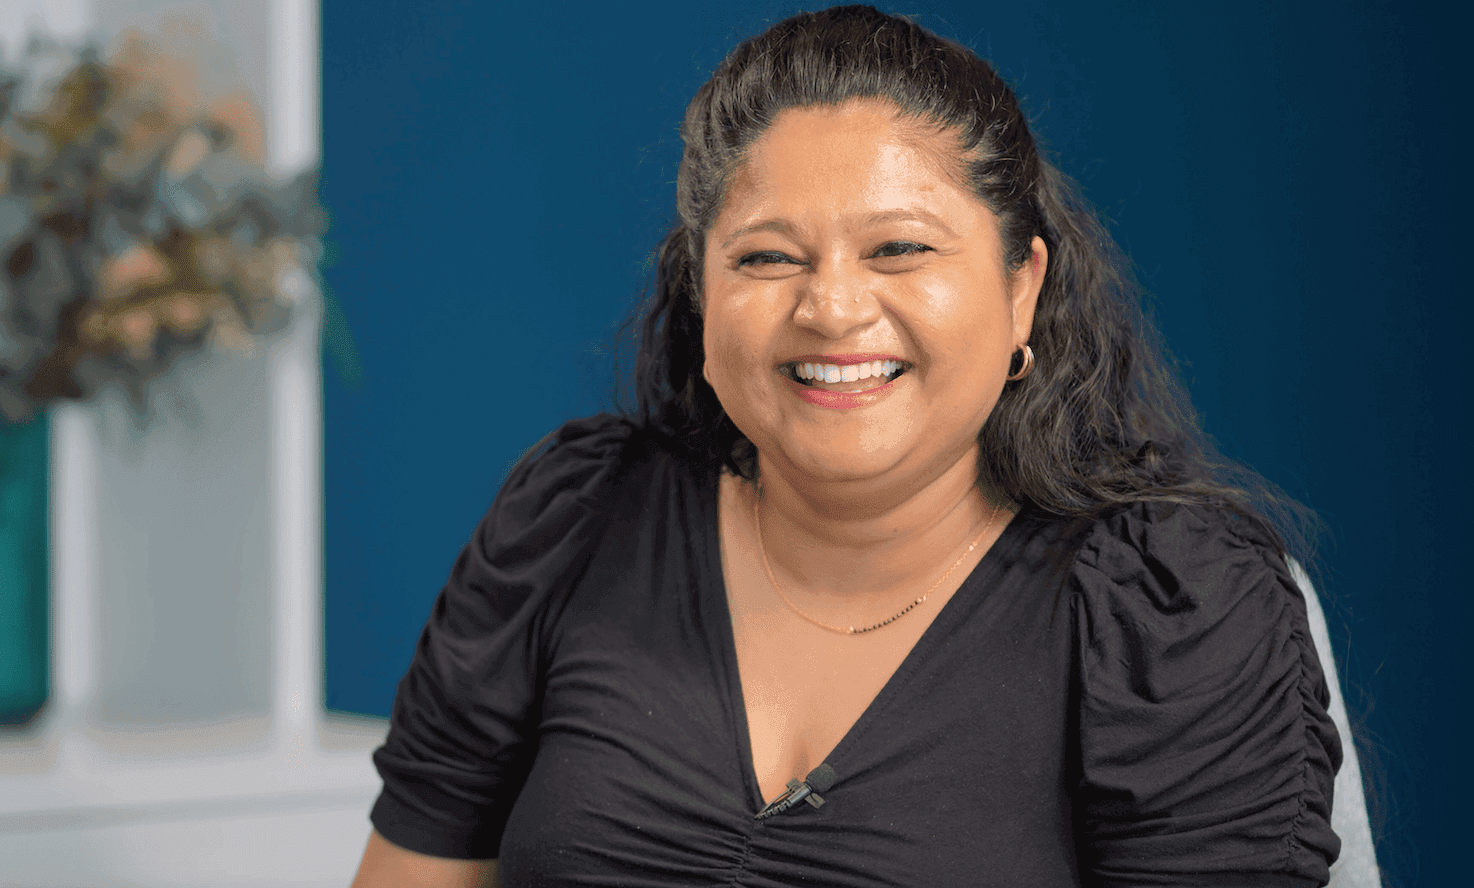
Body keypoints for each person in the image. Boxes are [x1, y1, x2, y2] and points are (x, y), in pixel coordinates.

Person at [351, 6, 1343, 886]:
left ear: (1019, 289)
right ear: (703, 294)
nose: (829, 308)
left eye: (899, 249)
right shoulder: (568, 525)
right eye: (767, 257)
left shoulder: (1169, 608)